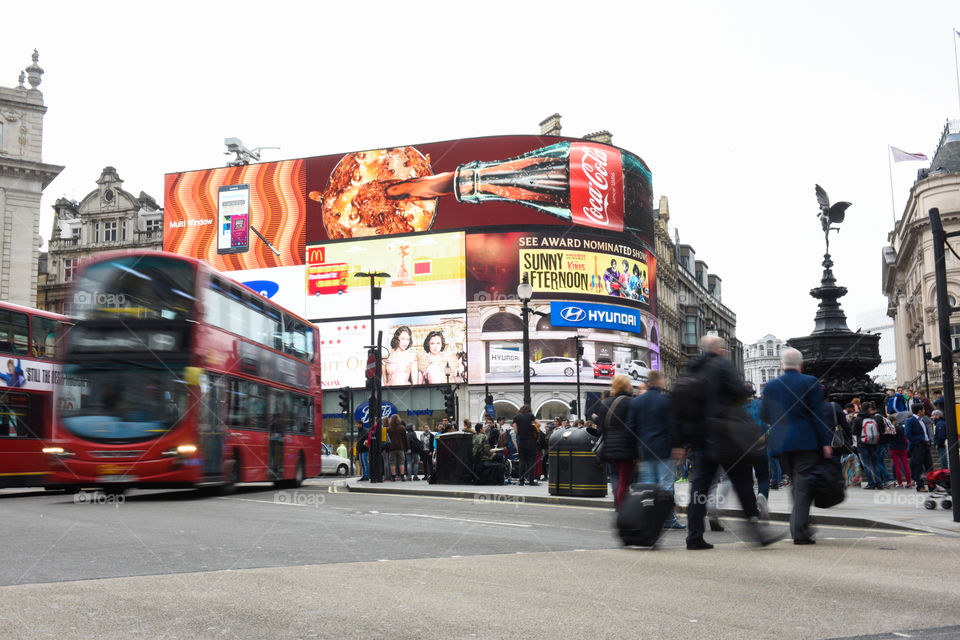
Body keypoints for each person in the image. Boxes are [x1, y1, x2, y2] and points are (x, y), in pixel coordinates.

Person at [684, 336, 781, 550]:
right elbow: (740, 390)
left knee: (699, 488)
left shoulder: (692, 368)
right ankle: (757, 531)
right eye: (724, 349)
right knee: (743, 483)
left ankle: (694, 536)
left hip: (701, 436)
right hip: (726, 434)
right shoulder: (721, 365)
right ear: (719, 350)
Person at [762, 347, 830, 545]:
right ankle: (799, 530)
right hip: (805, 441)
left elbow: (764, 415)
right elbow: (818, 416)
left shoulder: (771, 386)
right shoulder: (810, 382)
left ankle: (802, 523)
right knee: (802, 486)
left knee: (797, 483)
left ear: (781, 365)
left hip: (781, 444)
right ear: (801, 365)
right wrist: (825, 443)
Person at [627, 370, 684, 529]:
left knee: (647, 487)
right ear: (659, 382)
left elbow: (630, 427)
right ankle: (668, 520)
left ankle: (648, 519)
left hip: (645, 451)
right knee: (666, 488)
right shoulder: (665, 400)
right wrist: (678, 446)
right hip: (664, 450)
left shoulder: (637, 402)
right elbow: (673, 425)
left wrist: (640, 443)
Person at [594, 374, 636, 511]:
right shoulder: (630, 402)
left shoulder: (606, 403)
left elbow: (601, 428)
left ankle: (619, 505)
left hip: (610, 448)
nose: (631, 386)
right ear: (625, 386)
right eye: (629, 384)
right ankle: (622, 509)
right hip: (625, 447)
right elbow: (632, 426)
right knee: (625, 480)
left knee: (618, 478)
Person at [851, 402, 882, 489]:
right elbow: (880, 429)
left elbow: (853, 431)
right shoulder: (874, 417)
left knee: (867, 464)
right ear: (869, 408)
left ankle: (871, 483)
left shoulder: (858, 418)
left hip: (862, 443)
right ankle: (879, 483)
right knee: (875, 463)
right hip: (874, 443)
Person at [904, 403, 931, 492]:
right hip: (917, 447)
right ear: (919, 411)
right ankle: (920, 486)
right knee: (918, 467)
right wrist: (919, 440)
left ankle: (932, 485)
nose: (924, 411)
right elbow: (907, 434)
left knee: (930, 466)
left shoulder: (922, 420)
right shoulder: (910, 421)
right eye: (923, 409)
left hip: (926, 446)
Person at [512, 405, 540, 486]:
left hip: (521, 441)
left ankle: (521, 481)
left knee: (522, 461)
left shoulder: (516, 417)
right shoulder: (530, 416)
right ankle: (531, 481)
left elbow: (516, 430)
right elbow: (539, 424)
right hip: (531, 441)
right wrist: (532, 427)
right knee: (532, 461)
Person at [888, 411, 911, 488]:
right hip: (903, 448)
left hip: (894, 449)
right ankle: (909, 483)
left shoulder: (890, 429)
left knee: (897, 466)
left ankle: (900, 483)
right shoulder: (901, 428)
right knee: (906, 466)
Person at [386, 415, 408, 481]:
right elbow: (405, 439)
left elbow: (387, 440)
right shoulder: (402, 428)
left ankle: (393, 476)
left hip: (392, 448)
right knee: (401, 462)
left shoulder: (388, 429)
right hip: (401, 448)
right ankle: (402, 476)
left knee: (392, 463)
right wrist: (406, 448)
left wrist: (388, 448)